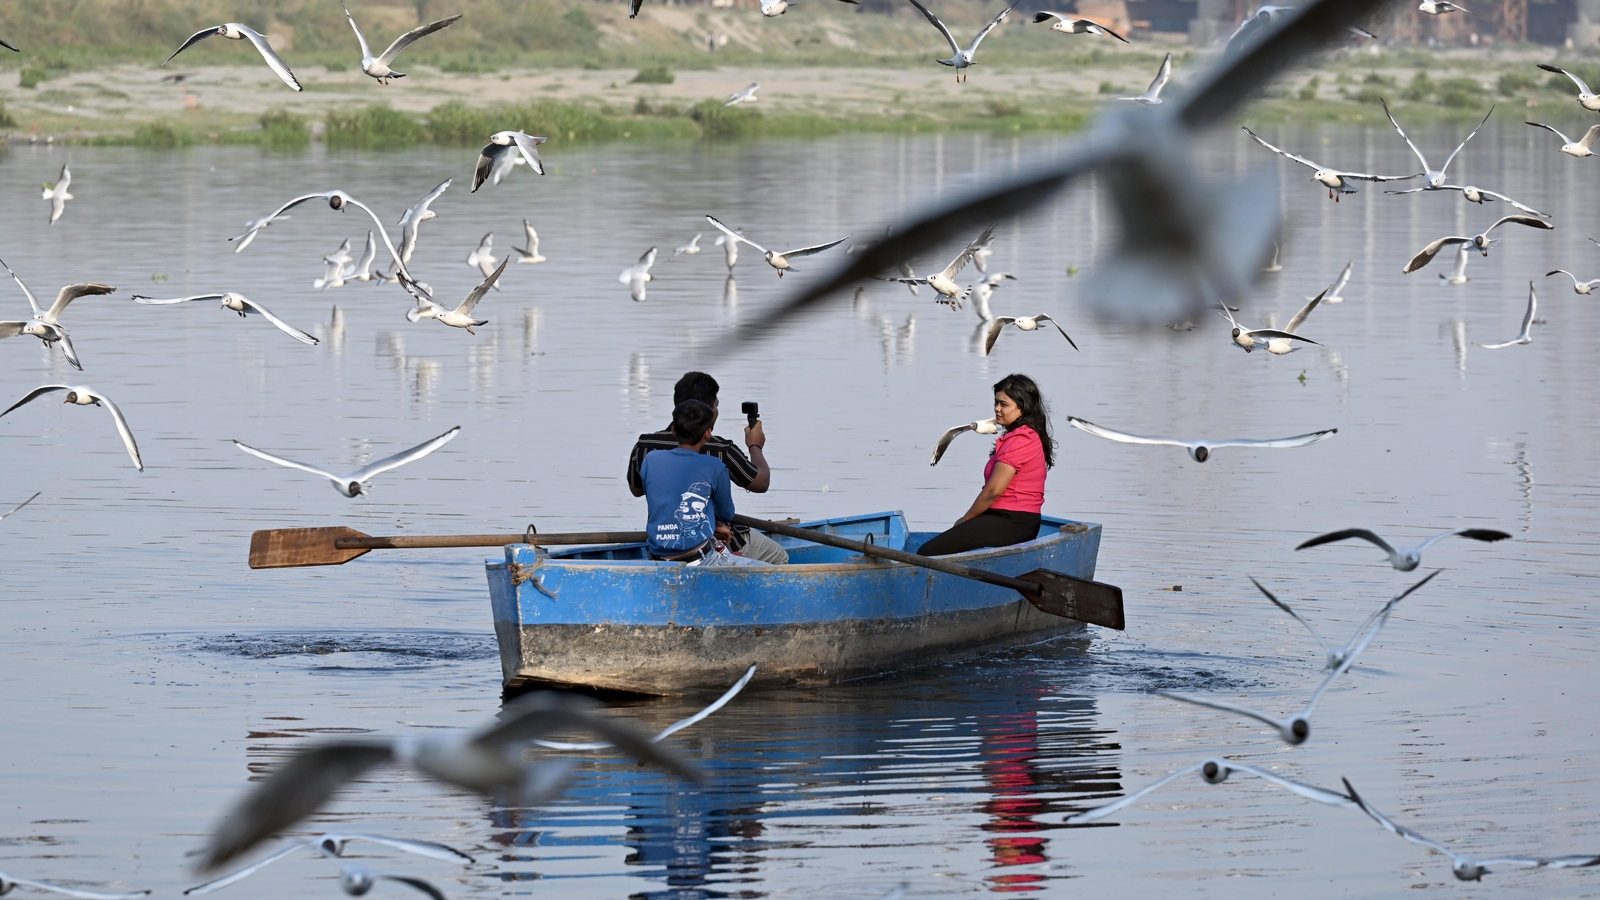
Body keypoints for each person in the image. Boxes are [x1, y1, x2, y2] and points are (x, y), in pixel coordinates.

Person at [626, 371, 789, 564]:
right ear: (708, 429)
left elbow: (637, 490)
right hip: (717, 541)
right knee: (779, 558)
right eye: (717, 405)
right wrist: (755, 445)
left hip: (662, 543)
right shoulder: (719, 453)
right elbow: (760, 483)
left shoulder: (646, 447)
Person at [917, 374, 1054, 556]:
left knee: (926, 553)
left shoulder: (1021, 439)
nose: (997, 409)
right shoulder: (1023, 435)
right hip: (1005, 518)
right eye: (996, 403)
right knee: (939, 548)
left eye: (1004, 405)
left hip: (1013, 521)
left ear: (1023, 407)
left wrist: (966, 519)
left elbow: (993, 492)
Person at [640, 400, 771, 568]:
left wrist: (711, 525)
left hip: (658, 557)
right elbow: (726, 514)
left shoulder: (650, 460)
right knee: (771, 571)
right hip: (698, 559)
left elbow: (661, 501)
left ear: (673, 430)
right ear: (708, 433)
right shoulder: (715, 466)